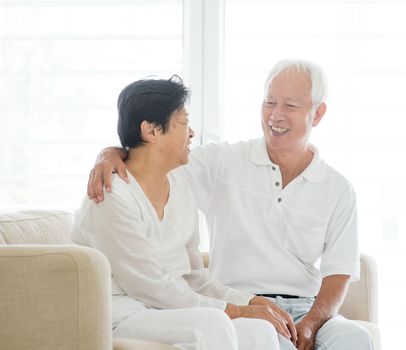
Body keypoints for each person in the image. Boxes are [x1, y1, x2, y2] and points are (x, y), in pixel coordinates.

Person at [88, 60, 374, 350]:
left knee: (356, 339)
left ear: (318, 113)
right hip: (232, 299)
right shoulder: (220, 163)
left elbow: (338, 272)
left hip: (302, 307)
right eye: (269, 102)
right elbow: (149, 158)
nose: (276, 114)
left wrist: (310, 325)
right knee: (271, 339)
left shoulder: (338, 189)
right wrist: (111, 153)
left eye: (289, 106)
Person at [72, 76, 288, 350]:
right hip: (120, 313)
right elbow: (148, 285)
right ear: (150, 131)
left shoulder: (182, 189)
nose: (192, 133)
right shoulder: (112, 196)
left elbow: (194, 277)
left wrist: (250, 302)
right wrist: (233, 310)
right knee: (213, 323)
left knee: (258, 330)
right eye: (184, 123)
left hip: (165, 309)